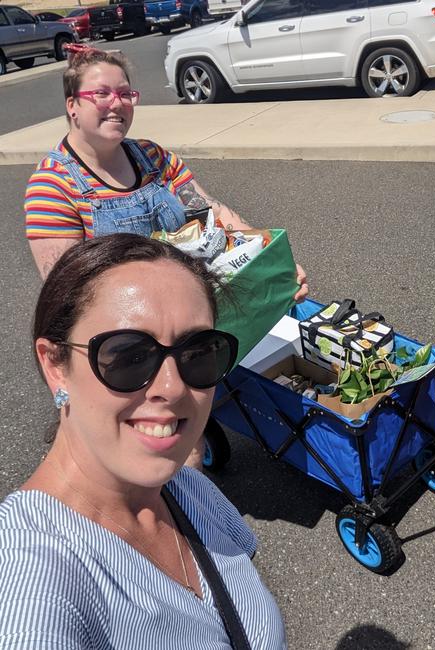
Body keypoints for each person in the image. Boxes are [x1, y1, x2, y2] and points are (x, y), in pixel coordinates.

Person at [24, 44, 308, 469]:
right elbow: (68, 298)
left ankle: (187, 515)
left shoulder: (154, 158)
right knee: (141, 460)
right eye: (101, 94)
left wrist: (271, 260)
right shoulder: (52, 187)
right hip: (124, 355)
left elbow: (214, 213)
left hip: (181, 329)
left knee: (182, 444)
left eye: (125, 93)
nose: (116, 103)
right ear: (73, 106)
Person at [0, 234, 287, 648]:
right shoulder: (28, 575)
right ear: (55, 366)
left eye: (197, 352)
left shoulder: (191, 490)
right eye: (128, 355)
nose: (172, 388)